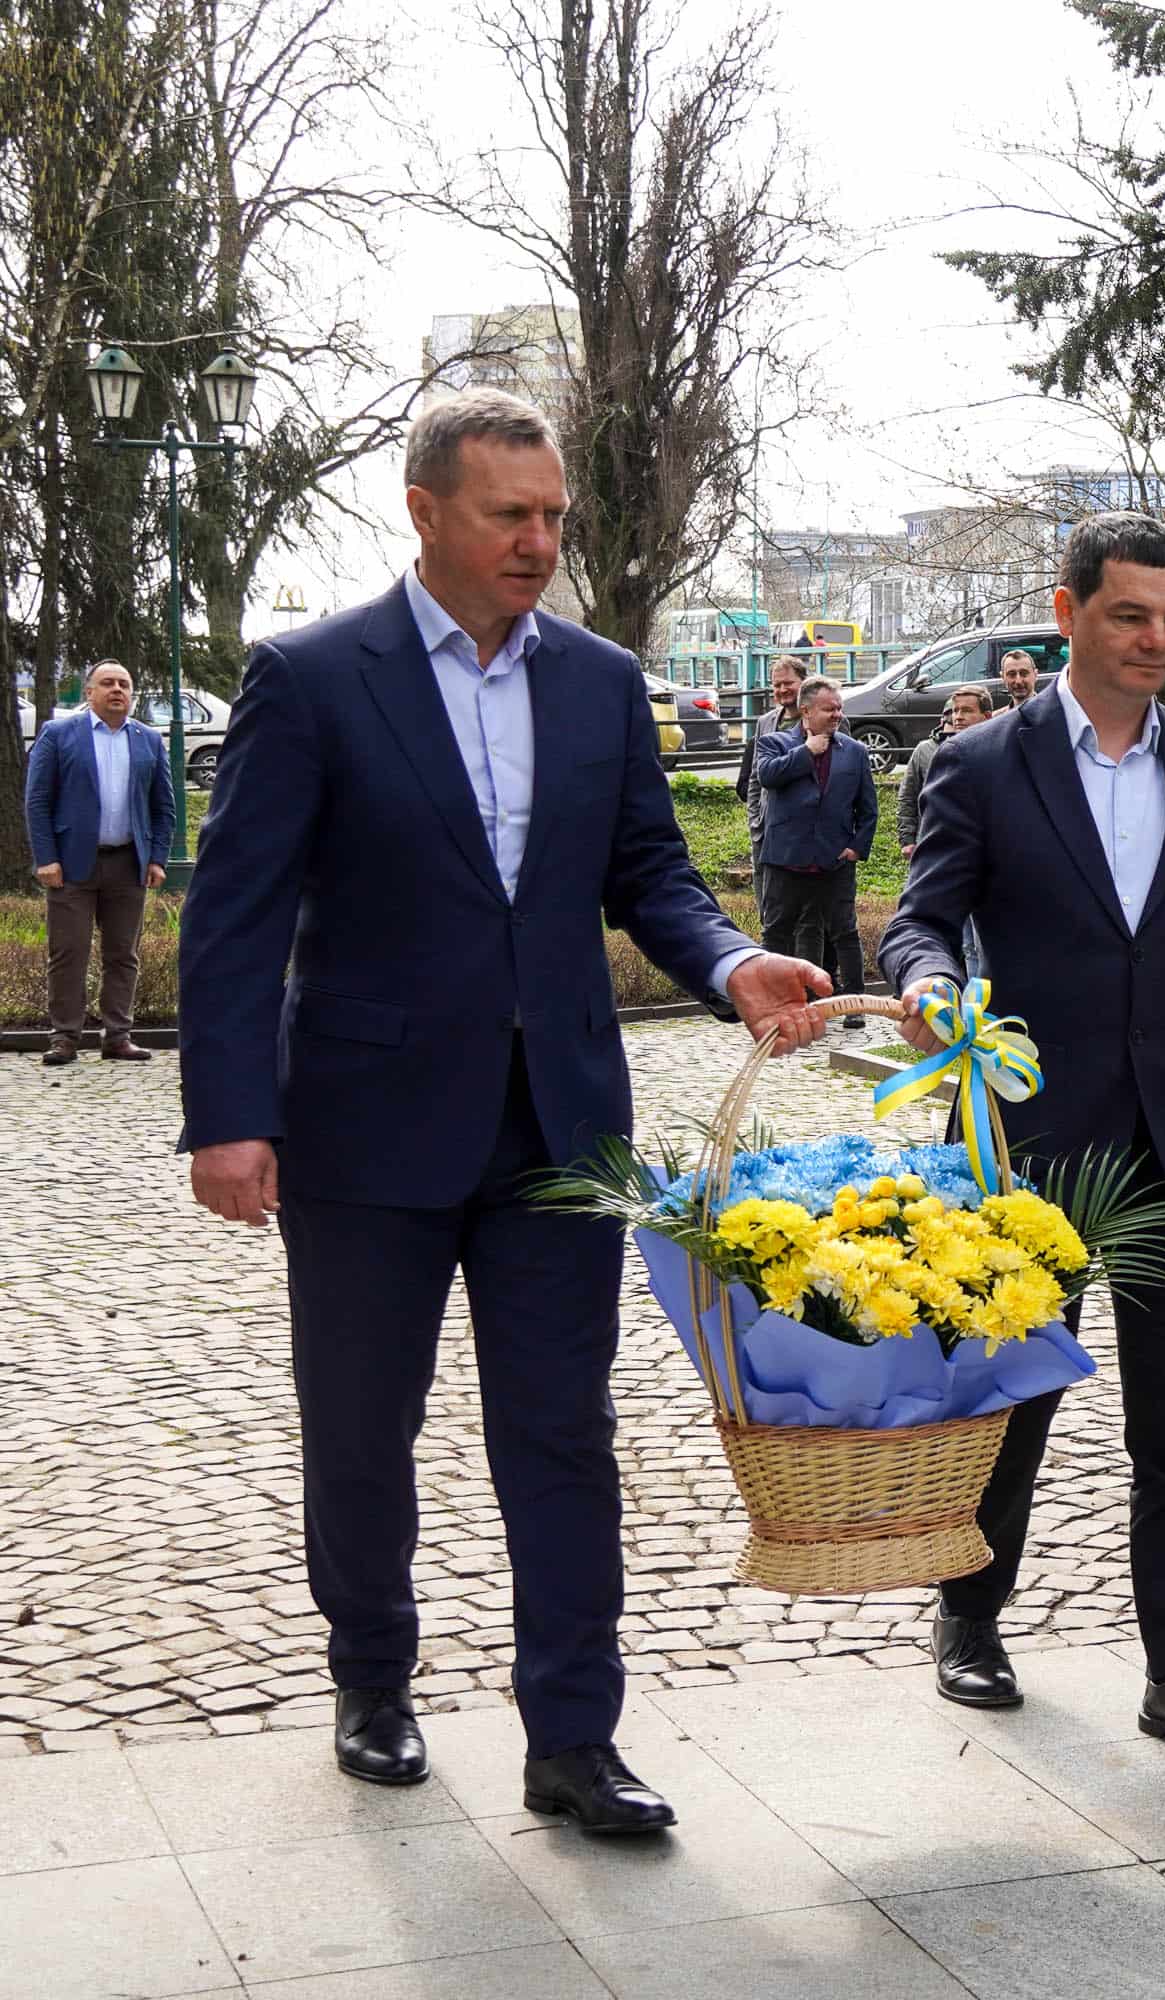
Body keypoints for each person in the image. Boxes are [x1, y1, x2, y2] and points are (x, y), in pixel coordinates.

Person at [175, 386, 832, 1831]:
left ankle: (574, 1741)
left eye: (553, 518)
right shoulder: (311, 677)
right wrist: (231, 1115)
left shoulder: (599, 681)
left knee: (561, 1431)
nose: (539, 542)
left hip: (559, 1130)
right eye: (510, 516)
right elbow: (234, 917)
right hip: (363, 1127)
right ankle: (373, 1678)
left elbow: (648, 870)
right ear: (424, 512)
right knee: (361, 1423)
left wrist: (729, 960)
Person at [880, 511, 1165, 1770]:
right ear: (1067, 614)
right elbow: (916, 923)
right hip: (1029, 1146)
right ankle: (970, 1611)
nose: (1156, 642)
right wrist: (922, 986)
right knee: (1011, 1403)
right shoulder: (980, 766)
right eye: (1131, 615)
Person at [23, 659, 175, 1064]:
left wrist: (157, 857)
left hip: (129, 863)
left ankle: (118, 1036)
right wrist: (46, 858)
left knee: (123, 953)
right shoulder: (58, 735)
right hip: (71, 865)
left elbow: (164, 806)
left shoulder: (148, 739)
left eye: (124, 684)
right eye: (107, 683)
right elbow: (37, 802)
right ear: (88, 692)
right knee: (68, 951)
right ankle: (65, 1037)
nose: (116, 690)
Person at [753, 676, 876, 1024]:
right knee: (776, 934)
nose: (837, 714)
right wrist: (807, 752)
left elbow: (868, 808)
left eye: (839, 708)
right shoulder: (774, 743)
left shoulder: (855, 751)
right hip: (785, 860)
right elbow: (767, 776)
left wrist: (855, 847)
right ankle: (776, 1005)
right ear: (806, 711)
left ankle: (854, 1006)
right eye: (829, 709)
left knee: (845, 933)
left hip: (834, 861)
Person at [897, 685, 992, 858]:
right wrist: (907, 840)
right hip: (935, 846)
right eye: (955, 711)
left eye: (967, 711)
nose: (958, 717)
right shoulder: (927, 751)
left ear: (986, 716)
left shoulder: (998, 751)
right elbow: (908, 797)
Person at [735, 654, 804, 868]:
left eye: (788, 683)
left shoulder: (826, 717)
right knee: (766, 894)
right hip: (768, 829)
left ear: (804, 682)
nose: (782, 689)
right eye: (777, 685)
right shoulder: (765, 722)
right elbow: (754, 778)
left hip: (805, 830)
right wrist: (756, 822)